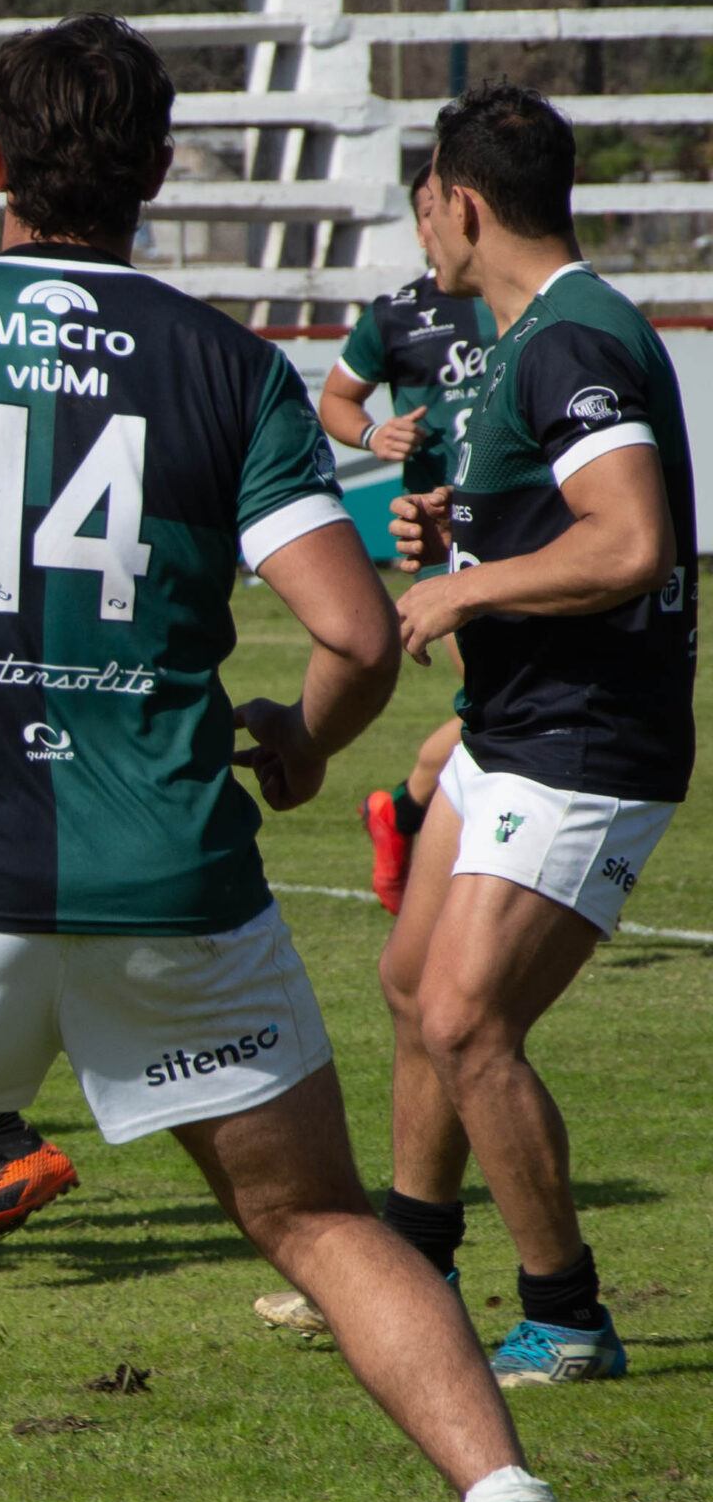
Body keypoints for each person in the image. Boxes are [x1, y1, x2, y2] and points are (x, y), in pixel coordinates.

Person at [0, 16, 608, 1502]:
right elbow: (355, 635)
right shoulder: (233, 367)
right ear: (160, 171)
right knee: (324, 1221)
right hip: (174, 878)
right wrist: (304, 743)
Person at [262, 86, 694, 1393]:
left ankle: (566, 1314)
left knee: (465, 1020)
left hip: (584, 737)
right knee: (411, 984)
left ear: (461, 201)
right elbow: (558, 520)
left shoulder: (569, 338)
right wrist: (459, 534)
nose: (422, 232)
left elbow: (630, 542)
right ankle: (412, 1263)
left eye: (424, 206)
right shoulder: (523, 339)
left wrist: (465, 590)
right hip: (508, 725)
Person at [318, 161, 496, 915]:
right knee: (496, 703)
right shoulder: (396, 316)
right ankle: (459, 849)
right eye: (423, 211)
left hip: (525, 524)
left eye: (440, 208)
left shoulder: (514, 302)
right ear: (422, 222)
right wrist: (371, 433)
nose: (434, 223)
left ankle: (404, 812)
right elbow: (336, 397)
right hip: (446, 537)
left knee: (502, 704)